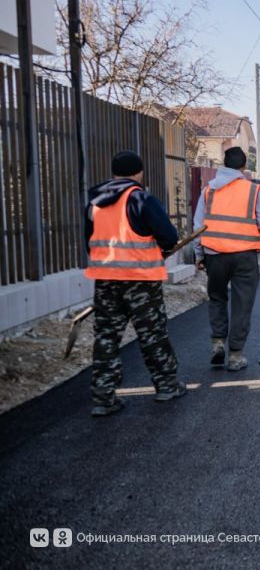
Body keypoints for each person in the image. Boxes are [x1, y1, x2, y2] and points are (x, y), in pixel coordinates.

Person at [84, 151, 186, 416]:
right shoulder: (141, 199)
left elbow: (89, 241)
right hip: (140, 280)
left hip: (105, 281)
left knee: (106, 337)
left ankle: (103, 398)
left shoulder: (95, 202)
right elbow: (168, 236)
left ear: (114, 173)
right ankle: (166, 386)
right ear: (139, 172)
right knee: (152, 334)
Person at [193, 146, 260, 371]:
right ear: (244, 166)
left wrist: (199, 254)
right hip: (245, 256)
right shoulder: (253, 190)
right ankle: (235, 356)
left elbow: (198, 226)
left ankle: (218, 342)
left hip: (214, 254)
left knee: (217, 298)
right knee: (242, 304)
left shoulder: (209, 190)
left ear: (224, 164)